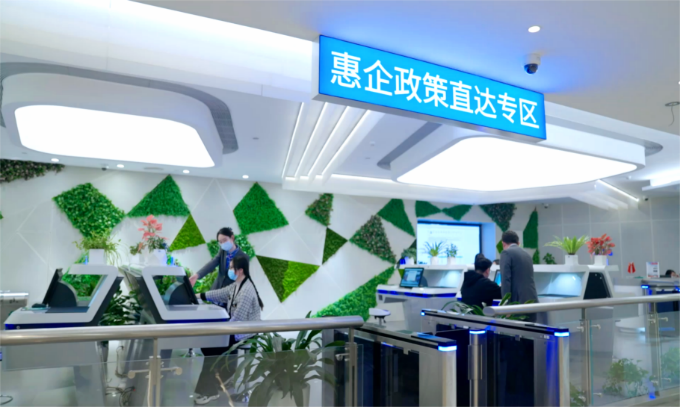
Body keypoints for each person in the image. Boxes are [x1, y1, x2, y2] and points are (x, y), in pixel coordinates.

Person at [193, 253, 263, 405]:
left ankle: (209, 391)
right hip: (235, 328)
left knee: (212, 347)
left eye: (231, 267)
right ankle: (212, 384)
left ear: (240, 270)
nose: (229, 270)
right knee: (209, 346)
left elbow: (237, 320)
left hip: (244, 333)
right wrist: (198, 295)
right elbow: (220, 294)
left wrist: (220, 332)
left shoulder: (246, 291)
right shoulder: (237, 284)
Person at [500, 230, 538, 321]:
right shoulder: (527, 254)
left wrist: (506, 306)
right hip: (532, 300)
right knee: (530, 329)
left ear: (503, 244)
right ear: (518, 243)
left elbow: (505, 280)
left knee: (516, 329)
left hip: (517, 303)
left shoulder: (506, 253)